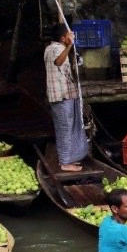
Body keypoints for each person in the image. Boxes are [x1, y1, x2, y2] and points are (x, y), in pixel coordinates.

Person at [44, 24, 89, 172]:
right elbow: (58, 61)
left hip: (65, 95)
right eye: (69, 35)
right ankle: (64, 162)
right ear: (63, 38)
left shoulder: (53, 48)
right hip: (61, 97)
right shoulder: (56, 49)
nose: (71, 36)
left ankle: (69, 159)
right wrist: (69, 46)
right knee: (65, 128)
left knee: (69, 127)